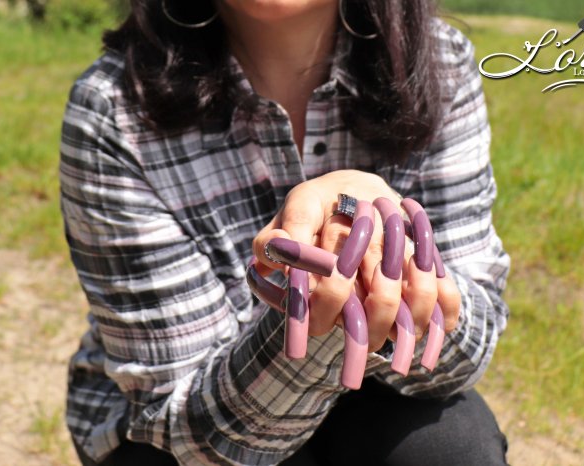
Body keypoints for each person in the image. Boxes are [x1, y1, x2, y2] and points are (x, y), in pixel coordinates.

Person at [59, 1, 511, 465]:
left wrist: (384, 267)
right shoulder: (113, 108)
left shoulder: (438, 64)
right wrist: (332, 298)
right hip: (181, 429)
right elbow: (193, 430)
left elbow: (465, 352)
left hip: (371, 393)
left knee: (451, 446)